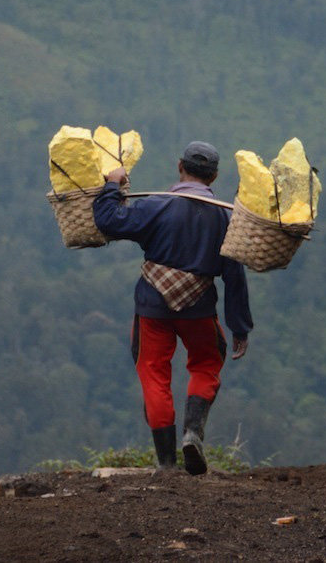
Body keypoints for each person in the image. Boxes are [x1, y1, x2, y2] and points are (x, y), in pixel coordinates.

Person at [92, 141, 253, 475]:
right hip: (199, 309)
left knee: (153, 372)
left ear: (179, 167)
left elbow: (107, 221)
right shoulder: (226, 216)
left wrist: (112, 183)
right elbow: (234, 275)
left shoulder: (156, 205)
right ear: (215, 176)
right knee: (207, 363)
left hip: (153, 307)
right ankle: (192, 433)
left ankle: (166, 463)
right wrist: (240, 326)